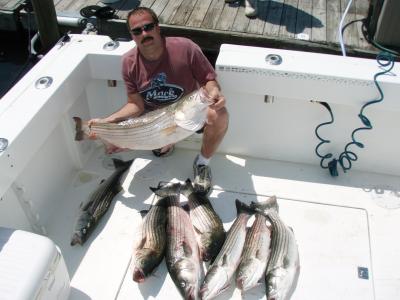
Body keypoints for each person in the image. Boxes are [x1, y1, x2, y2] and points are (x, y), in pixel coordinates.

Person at [89, 7, 229, 195]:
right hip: (155, 122)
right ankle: (161, 143)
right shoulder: (128, 62)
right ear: (131, 35)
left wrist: (214, 92)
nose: (144, 34)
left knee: (219, 114)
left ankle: (202, 164)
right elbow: (135, 105)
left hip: (187, 114)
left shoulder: (185, 48)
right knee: (144, 175)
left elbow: (208, 80)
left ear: (158, 27)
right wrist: (108, 122)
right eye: (137, 31)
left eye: (148, 27)